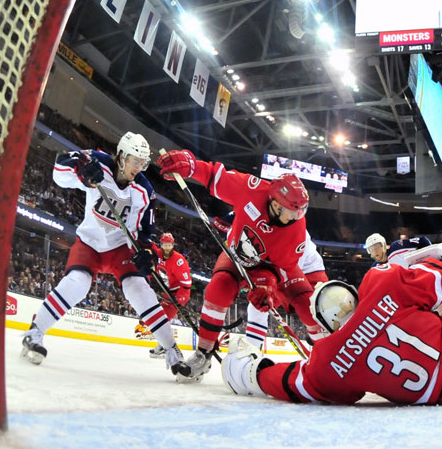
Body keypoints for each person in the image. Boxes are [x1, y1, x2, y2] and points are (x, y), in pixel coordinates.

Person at [220, 258, 442, 405]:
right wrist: (426, 261)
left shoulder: (326, 362)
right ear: (350, 292)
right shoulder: (379, 282)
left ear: (328, 325)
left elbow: (291, 384)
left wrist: (251, 373)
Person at [21, 133, 183, 373]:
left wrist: (148, 253)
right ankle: (34, 332)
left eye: (143, 162)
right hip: (90, 242)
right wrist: (81, 173)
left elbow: (145, 231)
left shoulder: (144, 190)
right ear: (121, 156)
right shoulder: (96, 161)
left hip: (120, 248)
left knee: (138, 288)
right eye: (134, 160)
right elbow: (59, 170)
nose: (139, 167)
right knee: (78, 282)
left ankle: (172, 350)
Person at [156, 150, 319, 382]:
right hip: (235, 254)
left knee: (307, 303)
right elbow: (215, 176)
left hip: (269, 267)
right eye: (293, 211)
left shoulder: (297, 231)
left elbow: (280, 268)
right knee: (218, 288)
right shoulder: (251, 189)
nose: (297, 216)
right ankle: (203, 354)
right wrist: (191, 166)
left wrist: (267, 287)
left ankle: (325, 354)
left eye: (300, 211)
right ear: (276, 203)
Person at [213, 213, 329, 353]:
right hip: (284, 267)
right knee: (257, 307)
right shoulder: (248, 229)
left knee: (323, 313)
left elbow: (287, 272)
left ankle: (328, 352)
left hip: (310, 271)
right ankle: (251, 353)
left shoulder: (293, 233)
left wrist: (268, 289)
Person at [146, 232, 192, 359]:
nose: (166, 247)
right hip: (167, 291)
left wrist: (181, 297)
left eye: (169, 245)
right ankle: (163, 345)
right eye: (164, 244)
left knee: (164, 319)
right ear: (161, 244)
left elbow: (187, 284)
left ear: (173, 245)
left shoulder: (179, 261)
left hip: (178, 292)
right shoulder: (157, 254)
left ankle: (165, 346)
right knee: (161, 318)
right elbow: (150, 265)